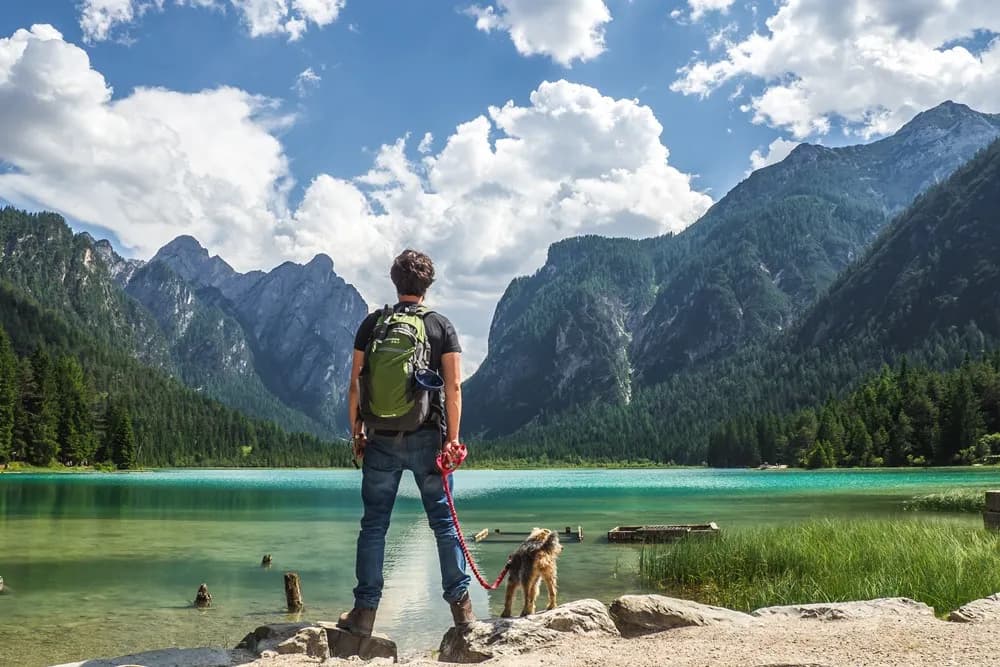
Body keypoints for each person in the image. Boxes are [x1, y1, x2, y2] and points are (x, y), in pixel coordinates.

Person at [337, 249, 474, 638]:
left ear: (396, 282)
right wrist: (453, 440)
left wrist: (357, 433)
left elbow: (354, 386)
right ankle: (463, 614)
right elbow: (454, 387)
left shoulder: (372, 324)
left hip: (380, 440)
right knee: (444, 525)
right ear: (427, 285)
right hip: (429, 439)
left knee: (374, 527)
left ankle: (364, 614)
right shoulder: (440, 326)